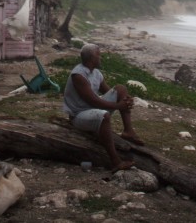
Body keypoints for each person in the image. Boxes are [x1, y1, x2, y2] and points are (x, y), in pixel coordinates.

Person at [62, 43, 144, 171]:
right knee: (104, 116)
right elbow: (94, 101)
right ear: (91, 58)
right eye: (99, 55)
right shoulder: (78, 75)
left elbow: (108, 91)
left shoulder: (96, 73)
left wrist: (125, 100)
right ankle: (115, 161)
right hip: (78, 116)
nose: (101, 58)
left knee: (121, 89)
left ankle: (128, 131)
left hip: (91, 109)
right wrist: (119, 105)